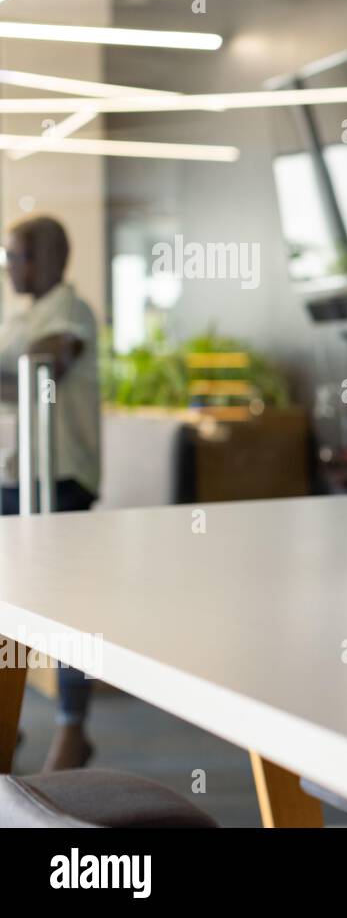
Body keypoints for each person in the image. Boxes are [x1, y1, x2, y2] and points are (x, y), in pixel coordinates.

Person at [0, 214, 101, 770]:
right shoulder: (23, 313)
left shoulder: (70, 309)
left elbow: (48, 363)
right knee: (7, 607)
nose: (10, 266)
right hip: (16, 477)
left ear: (49, 260)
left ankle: (71, 727)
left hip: (61, 479)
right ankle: (6, 719)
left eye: (16, 256)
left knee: (66, 613)